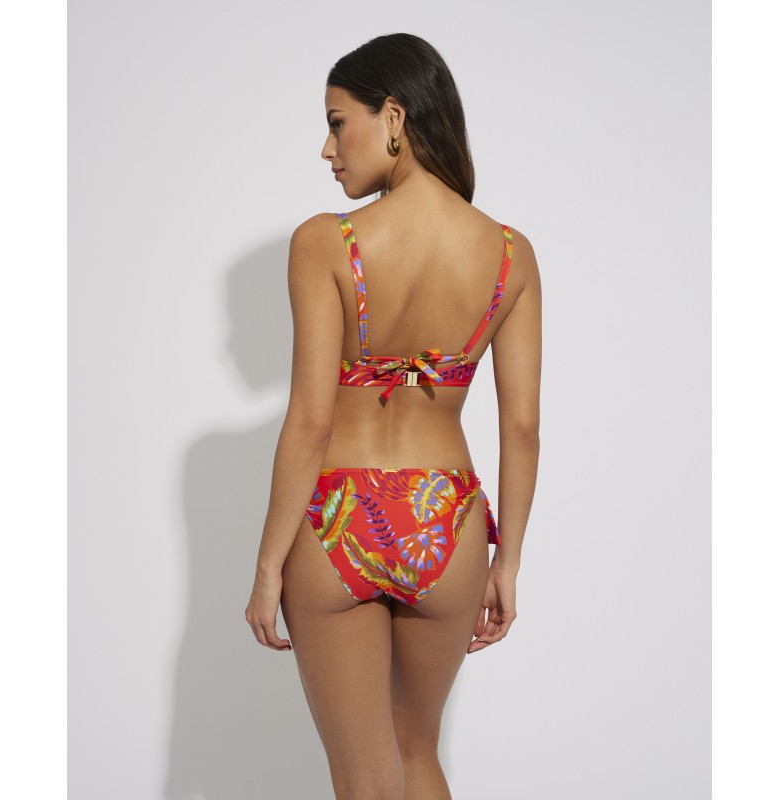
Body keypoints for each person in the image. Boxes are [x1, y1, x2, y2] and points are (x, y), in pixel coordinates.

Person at [245, 32, 541, 800]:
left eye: (337, 122)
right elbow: (521, 428)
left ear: (395, 117)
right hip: (448, 520)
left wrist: (270, 563)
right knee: (416, 754)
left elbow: (311, 421)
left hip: (339, 515)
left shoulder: (327, 243)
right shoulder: (510, 255)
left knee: (362, 777)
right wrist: (507, 562)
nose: (327, 149)